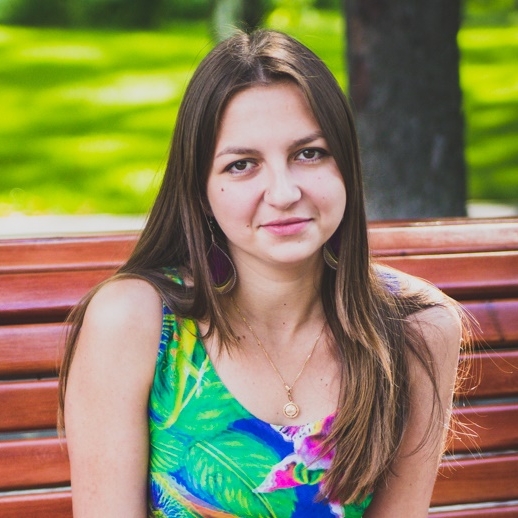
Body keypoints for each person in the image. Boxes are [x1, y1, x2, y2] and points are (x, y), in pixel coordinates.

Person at [59, 29, 469, 517]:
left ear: (346, 164)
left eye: (309, 153)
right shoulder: (134, 323)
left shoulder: (417, 328)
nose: (283, 192)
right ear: (200, 190)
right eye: (242, 165)